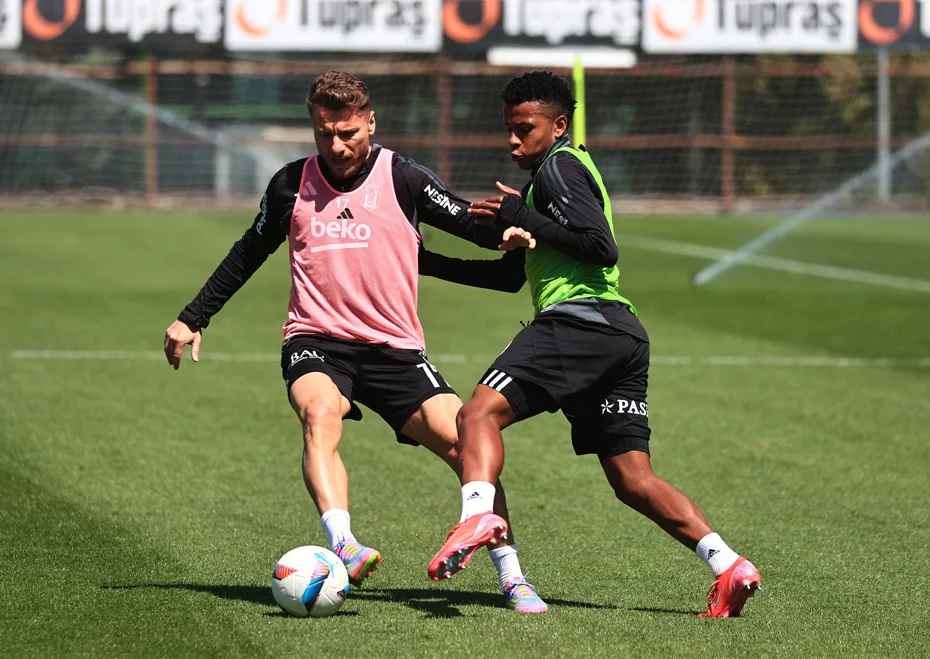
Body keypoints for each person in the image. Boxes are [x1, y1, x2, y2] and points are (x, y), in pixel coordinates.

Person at [163, 71, 548, 613]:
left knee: (468, 446)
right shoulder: (290, 184)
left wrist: (507, 231)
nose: (337, 145)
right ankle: (342, 542)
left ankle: (512, 577)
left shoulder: (403, 177)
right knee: (320, 413)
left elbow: (467, 220)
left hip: (395, 347)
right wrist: (193, 317)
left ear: (370, 123)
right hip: (316, 339)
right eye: (325, 134)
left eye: (347, 133)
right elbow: (249, 251)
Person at [421, 71, 761, 618]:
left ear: (558, 126)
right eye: (509, 129)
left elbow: (601, 246)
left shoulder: (559, 169)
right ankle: (729, 565)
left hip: (580, 324)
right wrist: (425, 262)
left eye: (524, 129)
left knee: (476, 415)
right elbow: (509, 279)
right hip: (619, 336)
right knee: (633, 479)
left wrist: (519, 214)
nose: (513, 140)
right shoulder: (551, 179)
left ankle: (478, 516)